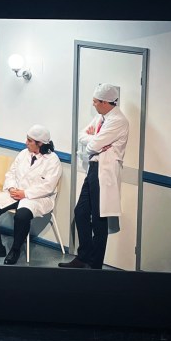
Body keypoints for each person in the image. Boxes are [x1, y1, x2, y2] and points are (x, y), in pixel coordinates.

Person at [59, 82, 129, 270]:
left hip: (104, 172)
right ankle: (84, 257)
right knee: (80, 212)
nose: (93, 104)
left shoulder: (118, 121)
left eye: (96, 101)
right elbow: (82, 136)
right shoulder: (101, 118)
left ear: (105, 102)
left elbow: (91, 146)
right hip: (93, 169)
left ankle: (95, 264)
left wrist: (94, 141)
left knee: (99, 219)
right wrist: (94, 140)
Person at [0, 125, 62, 265]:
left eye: (29, 140)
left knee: (22, 216)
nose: (26, 143)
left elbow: (48, 186)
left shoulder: (53, 160)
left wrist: (25, 193)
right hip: (16, 192)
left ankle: (15, 250)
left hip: (36, 198)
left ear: (40, 143)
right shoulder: (23, 154)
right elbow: (11, 173)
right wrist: (11, 188)